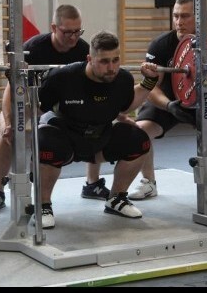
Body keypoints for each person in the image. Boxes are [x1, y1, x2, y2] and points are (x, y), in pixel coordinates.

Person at [0, 5, 109, 214]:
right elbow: (12, 90)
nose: (73, 37)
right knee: (8, 134)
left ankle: (92, 183)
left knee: (97, 123)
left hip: (63, 105)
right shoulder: (32, 50)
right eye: (67, 32)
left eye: (77, 31)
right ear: (54, 28)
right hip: (30, 101)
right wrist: (9, 121)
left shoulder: (83, 51)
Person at [36, 30, 160, 229]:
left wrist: (149, 82)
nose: (111, 68)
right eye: (104, 61)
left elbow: (127, 106)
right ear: (89, 59)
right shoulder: (63, 77)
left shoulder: (123, 79)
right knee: (45, 139)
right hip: (65, 138)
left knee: (138, 139)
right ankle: (43, 206)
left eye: (115, 60)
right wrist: (12, 126)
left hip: (98, 139)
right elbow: (36, 109)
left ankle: (116, 199)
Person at [130, 0, 207, 201]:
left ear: (199, 19)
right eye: (176, 16)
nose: (179, 22)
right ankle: (148, 182)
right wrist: (169, 105)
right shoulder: (160, 45)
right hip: (168, 102)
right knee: (140, 130)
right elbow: (151, 88)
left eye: (185, 16)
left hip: (202, 103)